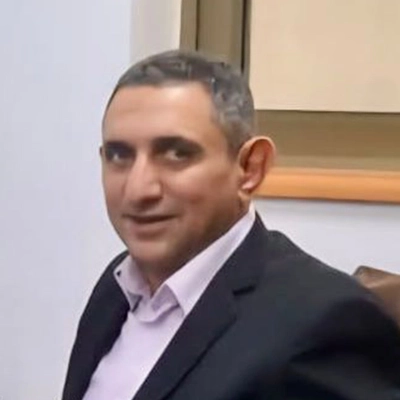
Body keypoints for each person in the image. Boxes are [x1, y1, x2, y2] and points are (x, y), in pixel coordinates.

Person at [62, 50, 400, 400]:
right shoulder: (117, 285)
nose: (138, 189)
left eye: (177, 154)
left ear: (250, 168)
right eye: (119, 155)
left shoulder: (324, 323)